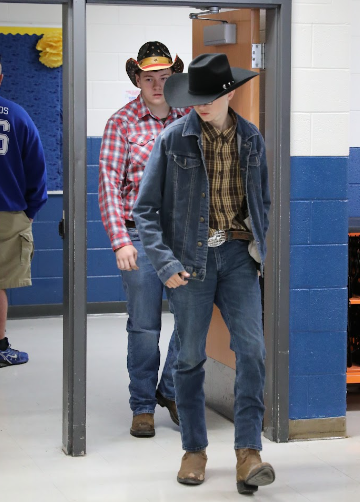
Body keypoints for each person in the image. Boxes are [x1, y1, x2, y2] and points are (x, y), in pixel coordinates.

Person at [133, 53, 275, 494]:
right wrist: (166, 262)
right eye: (195, 97)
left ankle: (248, 453)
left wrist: (257, 250)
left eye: (209, 96)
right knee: (189, 357)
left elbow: (263, 202)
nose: (201, 104)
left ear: (230, 93)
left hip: (237, 257)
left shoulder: (251, 139)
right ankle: (194, 449)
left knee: (251, 351)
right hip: (189, 263)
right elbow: (145, 211)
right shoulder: (173, 139)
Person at [98, 41, 191, 438]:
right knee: (144, 328)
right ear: (137, 78)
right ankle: (141, 406)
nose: (157, 85)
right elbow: (107, 186)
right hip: (139, 237)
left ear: (174, 79)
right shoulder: (121, 124)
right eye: (149, 78)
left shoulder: (190, 118)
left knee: (191, 321)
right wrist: (121, 241)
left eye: (165, 78)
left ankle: (169, 390)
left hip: (185, 239)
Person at [0, 58, 47, 368]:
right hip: (8, 214)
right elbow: (37, 169)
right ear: (1, 76)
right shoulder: (17, 115)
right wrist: (30, 210)